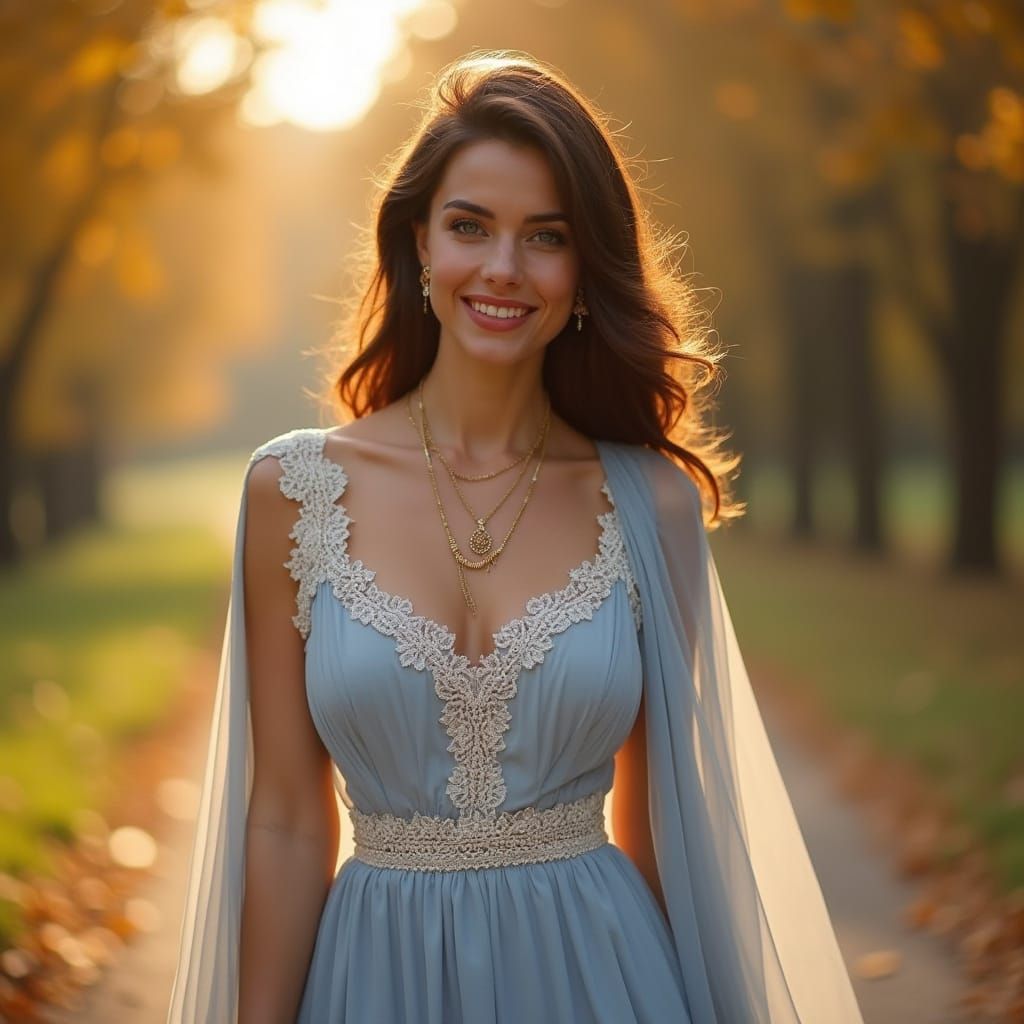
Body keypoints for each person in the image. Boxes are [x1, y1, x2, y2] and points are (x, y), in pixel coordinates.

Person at [167, 50, 865, 1023]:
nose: (502, 268)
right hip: (376, 981)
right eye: (469, 227)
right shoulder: (292, 489)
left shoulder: (649, 504)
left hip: (604, 977)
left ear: (585, 272)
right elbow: (284, 819)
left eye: (546, 236)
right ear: (417, 245)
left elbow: (665, 824)